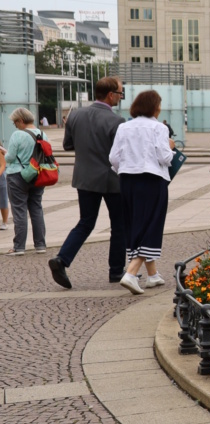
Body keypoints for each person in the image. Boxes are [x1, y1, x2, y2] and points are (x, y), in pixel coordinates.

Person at [48, 77, 127, 289]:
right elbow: (121, 154)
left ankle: (62, 259)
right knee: (119, 225)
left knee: (85, 222)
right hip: (111, 179)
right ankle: (116, 271)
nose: (121, 97)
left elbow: (67, 145)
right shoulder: (117, 121)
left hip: (84, 177)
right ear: (111, 95)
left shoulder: (75, 115)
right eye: (120, 93)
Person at [109, 90, 174, 295]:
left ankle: (153, 275)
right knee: (151, 225)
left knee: (136, 223)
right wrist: (172, 149)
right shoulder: (159, 128)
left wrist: (126, 168)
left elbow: (113, 158)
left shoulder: (124, 126)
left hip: (127, 179)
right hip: (152, 179)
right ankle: (131, 272)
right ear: (154, 106)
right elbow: (164, 157)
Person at [4, 108, 48, 256]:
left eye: (15, 122)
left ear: (21, 120)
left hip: (17, 175)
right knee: (36, 209)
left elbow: (10, 158)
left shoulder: (18, 134)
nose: (15, 125)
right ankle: (40, 245)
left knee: (19, 210)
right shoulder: (43, 134)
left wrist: (5, 153)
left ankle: (19, 247)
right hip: (38, 175)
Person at [0, 146, 9, 230]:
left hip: (1, 178)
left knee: (3, 200)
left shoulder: (0, 150)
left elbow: (3, 164)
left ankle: (5, 222)